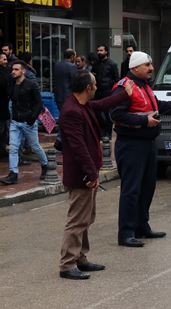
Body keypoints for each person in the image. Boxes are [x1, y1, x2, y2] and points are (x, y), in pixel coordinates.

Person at [109, 51, 171, 247]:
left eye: (151, 64)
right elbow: (116, 114)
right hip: (132, 145)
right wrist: (144, 121)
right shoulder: (124, 87)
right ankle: (126, 233)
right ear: (135, 68)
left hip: (148, 144)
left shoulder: (144, 86)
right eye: (147, 65)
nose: (151, 68)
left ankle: (141, 225)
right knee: (131, 190)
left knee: (147, 187)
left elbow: (156, 106)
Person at [58, 71, 135, 280]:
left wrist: (125, 94)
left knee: (86, 218)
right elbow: (78, 147)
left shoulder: (83, 105)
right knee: (76, 220)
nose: (96, 88)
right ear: (88, 88)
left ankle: (80, 258)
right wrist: (92, 173)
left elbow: (102, 104)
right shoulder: (72, 111)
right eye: (94, 83)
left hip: (88, 173)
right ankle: (67, 264)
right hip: (81, 175)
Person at [0, 61, 48, 185]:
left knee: (35, 146)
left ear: (23, 71)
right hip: (15, 122)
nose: (13, 72)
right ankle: (13, 174)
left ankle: (45, 165)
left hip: (28, 122)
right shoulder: (11, 85)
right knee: (13, 148)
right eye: (12, 69)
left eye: (16, 69)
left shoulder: (31, 85)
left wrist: (32, 118)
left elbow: (39, 103)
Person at [92, 45, 120, 139]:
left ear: (106, 51)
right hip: (97, 91)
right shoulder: (96, 64)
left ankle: (108, 132)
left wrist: (115, 92)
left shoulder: (112, 64)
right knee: (95, 111)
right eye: (98, 50)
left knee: (108, 113)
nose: (99, 52)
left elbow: (117, 79)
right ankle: (102, 128)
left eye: (101, 50)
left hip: (108, 91)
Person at [53, 49, 77, 151]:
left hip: (58, 95)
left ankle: (61, 140)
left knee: (64, 118)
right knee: (68, 119)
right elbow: (74, 81)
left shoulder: (57, 65)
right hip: (67, 96)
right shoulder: (72, 66)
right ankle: (60, 140)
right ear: (72, 56)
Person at [0, 53, 9, 158]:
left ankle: (2, 149)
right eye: (4, 59)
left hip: (4, 106)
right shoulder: (3, 73)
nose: (6, 61)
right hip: (2, 106)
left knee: (4, 130)